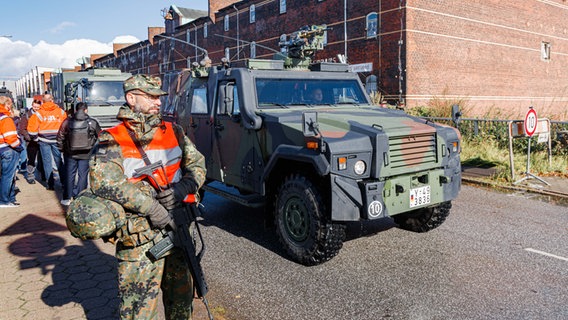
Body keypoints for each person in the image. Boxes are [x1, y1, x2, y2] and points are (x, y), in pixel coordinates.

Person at [89, 74, 206, 319]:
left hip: (178, 229)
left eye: (159, 97)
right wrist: (151, 207)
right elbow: (105, 182)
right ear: (131, 98)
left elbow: (197, 165)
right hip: (139, 238)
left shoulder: (174, 130)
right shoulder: (112, 138)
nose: (158, 102)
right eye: (151, 97)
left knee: (182, 304)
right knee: (138, 311)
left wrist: (182, 189)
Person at [56, 102, 101, 206]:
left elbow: (60, 136)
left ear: (76, 110)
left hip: (70, 153)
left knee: (69, 175)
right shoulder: (92, 122)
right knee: (83, 175)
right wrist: (94, 149)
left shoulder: (67, 121)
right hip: (86, 153)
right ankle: (81, 196)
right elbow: (100, 136)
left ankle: (67, 197)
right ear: (86, 110)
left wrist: (62, 149)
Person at [27, 93, 67, 190]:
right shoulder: (61, 112)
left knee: (47, 162)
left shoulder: (38, 114)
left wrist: (36, 139)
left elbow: (31, 130)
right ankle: (64, 182)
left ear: (43, 101)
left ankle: (50, 184)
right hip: (57, 140)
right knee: (59, 161)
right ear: (52, 100)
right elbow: (66, 126)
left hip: (43, 140)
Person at [0, 96, 23, 207]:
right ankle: (4, 200)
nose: (11, 107)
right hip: (8, 149)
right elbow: (10, 138)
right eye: (10, 105)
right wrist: (19, 146)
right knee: (8, 176)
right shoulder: (5, 119)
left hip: (1, 149)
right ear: (6, 105)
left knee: (4, 175)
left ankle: (9, 198)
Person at [18, 97, 42, 184]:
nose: (36, 108)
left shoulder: (42, 114)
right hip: (31, 142)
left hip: (41, 140)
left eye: (38, 107)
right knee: (31, 159)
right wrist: (29, 138)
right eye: (35, 107)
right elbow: (22, 129)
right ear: (32, 105)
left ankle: (42, 174)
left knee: (42, 158)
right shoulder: (27, 116)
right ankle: (30, 175)